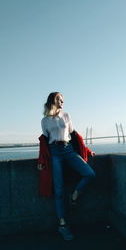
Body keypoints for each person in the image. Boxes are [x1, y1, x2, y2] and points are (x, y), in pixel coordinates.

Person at [37, 92, 96, 241]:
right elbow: (44, 142)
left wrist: (87, 150)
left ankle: (75, 194)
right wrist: (41, 160)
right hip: (55, 153)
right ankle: (63, 225)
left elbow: (75, 136)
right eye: (60, 99)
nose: (62, 102)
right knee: (59, 190)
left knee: (89, 174)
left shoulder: (66, 116)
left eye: (63, 100)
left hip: (68, 150)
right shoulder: (45, 120)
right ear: (53, 100)